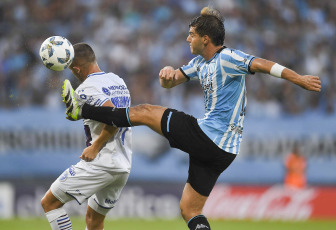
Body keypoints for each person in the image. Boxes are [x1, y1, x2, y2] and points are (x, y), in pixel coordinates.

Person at [62, 7, 321, 230]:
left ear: (206, 39)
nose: (188, 39)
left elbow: (262, 64)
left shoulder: (228, 58)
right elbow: (173, 81)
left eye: (192, 35)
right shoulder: (200, 63)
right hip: (223, 151)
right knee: (189, 210)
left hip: (210, 137)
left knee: (144, 112)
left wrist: (298, 79)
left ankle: (82, 111)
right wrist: (167, 76)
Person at [41, 43, 132, 230]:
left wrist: (95, 146)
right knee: (94, 220)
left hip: (101, 162)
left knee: (49, 203)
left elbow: (114, 117)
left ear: (76, 68)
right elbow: (119, 114)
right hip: (123, 164)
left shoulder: (86, 88)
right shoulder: (117, 81)